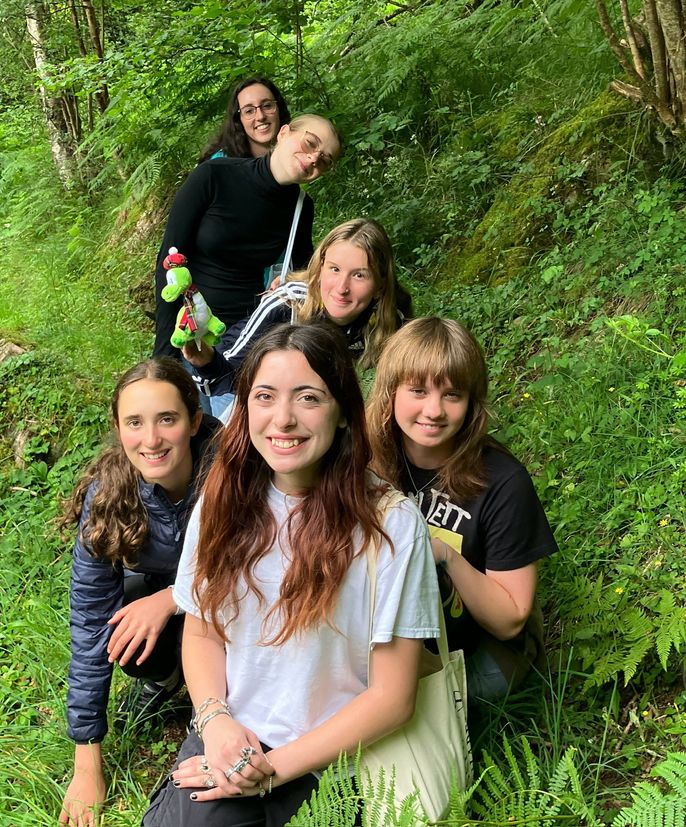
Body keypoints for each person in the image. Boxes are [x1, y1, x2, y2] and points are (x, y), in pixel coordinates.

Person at [141, 322, 439, 826]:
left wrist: (268, 772)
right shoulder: (221, 501)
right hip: (234, 737)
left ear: (343, 412)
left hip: (339, 767)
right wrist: (215, 724)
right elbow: (201, 630)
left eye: (308, 398)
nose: (283, 419)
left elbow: (393, 697)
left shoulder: (391, 524)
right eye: (264, 396)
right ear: (245, 408)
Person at [60, 359, 220, 827]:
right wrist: (86, 762)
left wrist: (172, 597)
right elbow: (89, 618)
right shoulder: (110, 494)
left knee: (152, 605)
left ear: (193, 420)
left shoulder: (235, 467)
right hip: (177, 600)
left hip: (237, 603)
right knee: (120, 621)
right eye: (135, 422)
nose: (150, 440)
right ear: (118, 427)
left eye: (166, 419)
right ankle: (168, 679)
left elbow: (267, 565)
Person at [366, 317, 558, 706]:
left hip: (481, 651)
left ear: (471, 401)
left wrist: (442, 554)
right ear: (390, 392)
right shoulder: (365, 458)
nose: (433, 410)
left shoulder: (503, 481)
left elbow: (511, 619)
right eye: (417, 390)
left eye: (452, 394)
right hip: (388, 631)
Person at [153, 114, 341, 360]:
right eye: (310, 143)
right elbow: (168, 261)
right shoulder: (213, 176)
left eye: (325, 160)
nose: (314, 157)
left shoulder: (301, 208)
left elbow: (305, 273)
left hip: (244, 344)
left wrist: (289, 282)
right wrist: (165, 356)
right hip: (188, 330)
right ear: (283, 133)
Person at [182, 218, 410, 417]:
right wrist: (205, 362)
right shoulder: (285, 305)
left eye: (359, 275)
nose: (342, 288)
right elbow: (227, 377)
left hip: (310, 399)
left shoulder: (392, 319)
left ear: (380, 287)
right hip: (236, 378)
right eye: (334, 269)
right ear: (319, 269)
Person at [199, 76, 290, 161]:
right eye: (249, 111)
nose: (260, 116)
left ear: (279, 108)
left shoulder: (298, 153)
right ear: (238, 119)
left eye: (267, 106)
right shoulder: (221, 163)